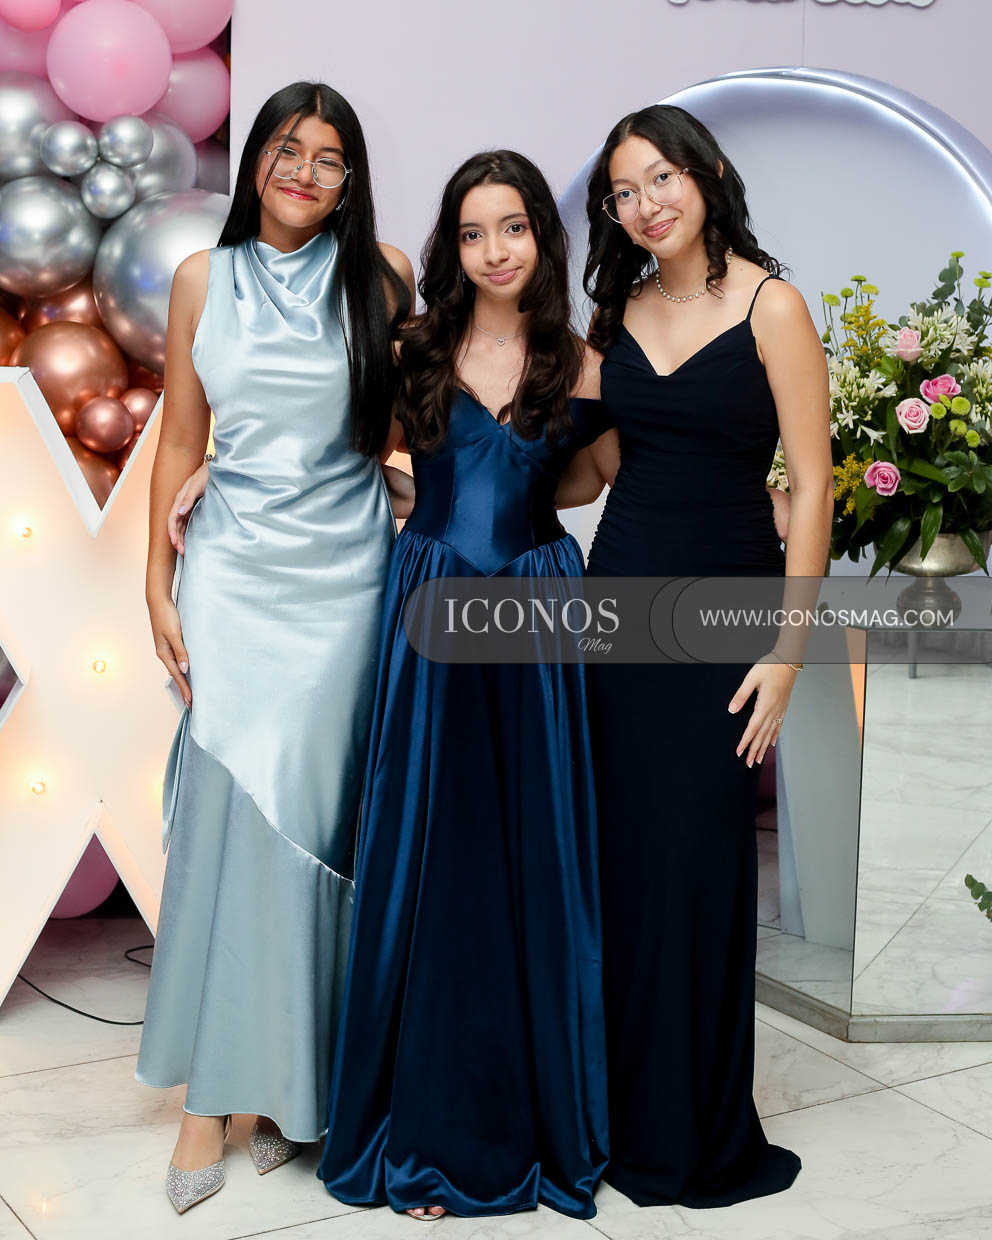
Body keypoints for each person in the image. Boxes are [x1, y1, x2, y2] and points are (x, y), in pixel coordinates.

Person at [137, 80, 414, 1214]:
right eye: (287, 149)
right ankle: (211, 1098)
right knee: (224, 826)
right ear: (255, 160)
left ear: (349, 181)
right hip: (233, 579)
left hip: (344, 582)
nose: (304, 171)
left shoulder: (385, 275)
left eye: (328, 157)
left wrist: (407, 476)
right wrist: (156, 585)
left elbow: (401, 424)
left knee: (316, 826)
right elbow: (179, 438)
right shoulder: (201, 280)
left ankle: (295, 1090)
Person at [317, 150, 610, 1221]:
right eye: (475, 232)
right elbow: (341, 455)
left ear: (543, 237)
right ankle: (429, 1132)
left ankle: (529, 1130)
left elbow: (589, 478)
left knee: (531, 862)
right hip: (432, 608)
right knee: (432, 861)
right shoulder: (412, 349)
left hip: (535, 615)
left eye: (514, 228)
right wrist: (217, 465)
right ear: (453, 243)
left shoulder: (583, 364)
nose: (495, 251)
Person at [574, 103, 833, 1208]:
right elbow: (592, 473)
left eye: (661, 179)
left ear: (708, 173)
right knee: (623, 870)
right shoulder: (616, 313)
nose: (645, 205)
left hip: (728, 621)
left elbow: (812, 486)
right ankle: (617, 1115)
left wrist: (787, 651)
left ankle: (696, 1130)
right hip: (616, 612)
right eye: (623, 192)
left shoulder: (774, 306)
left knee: (699, 869)